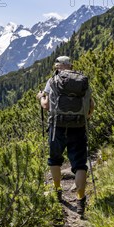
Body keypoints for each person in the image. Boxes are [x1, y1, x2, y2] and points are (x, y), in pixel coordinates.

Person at [36, 56, 94, 218]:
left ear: (57, 67)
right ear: (71, 66)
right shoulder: (82, 81)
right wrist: (82, 118)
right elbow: (91, 106)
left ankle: (57, 190)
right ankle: (80, 199)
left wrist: (40, 97)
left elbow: (46, 106)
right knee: (80, 163)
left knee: (55, 159)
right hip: (78, 126)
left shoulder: (52, 81)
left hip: (57, 127)